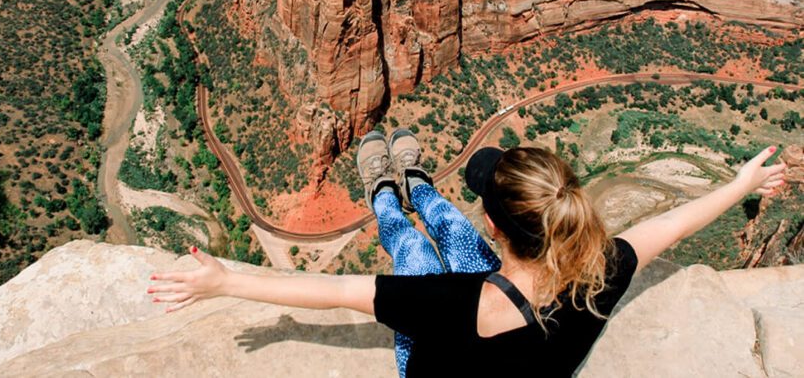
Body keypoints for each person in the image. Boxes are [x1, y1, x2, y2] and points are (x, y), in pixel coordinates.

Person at [147, 131, 785, 377]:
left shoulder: (449, 304)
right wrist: (739, 185)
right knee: (455, 241)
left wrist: (223, 283)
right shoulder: (602, 272)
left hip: (445, 336)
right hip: (521, 284)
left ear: (499, 225)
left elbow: (336, 293)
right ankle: (417, 181)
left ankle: (390, 197)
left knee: (421, 253)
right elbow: (668, 229)